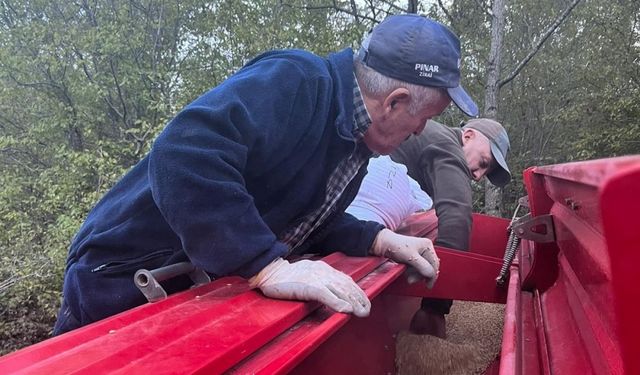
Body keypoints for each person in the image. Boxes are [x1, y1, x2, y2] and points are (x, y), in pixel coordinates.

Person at [53, 14, 479, 335]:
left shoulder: (352, 142)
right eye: (424, 117)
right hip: (118, 281)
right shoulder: (297, 82)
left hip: (186, 291)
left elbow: (296, 217)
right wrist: (266, 267)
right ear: (395, 101)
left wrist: (376, 238)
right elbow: (183, 155)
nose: (422, 130)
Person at [394, 118, 511, 338]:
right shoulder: (448, 146)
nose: (478, 176)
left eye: (486, 172)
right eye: (484, 162)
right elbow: (457, 221)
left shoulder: (431, 136)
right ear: (467, 136)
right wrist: (434, 309)